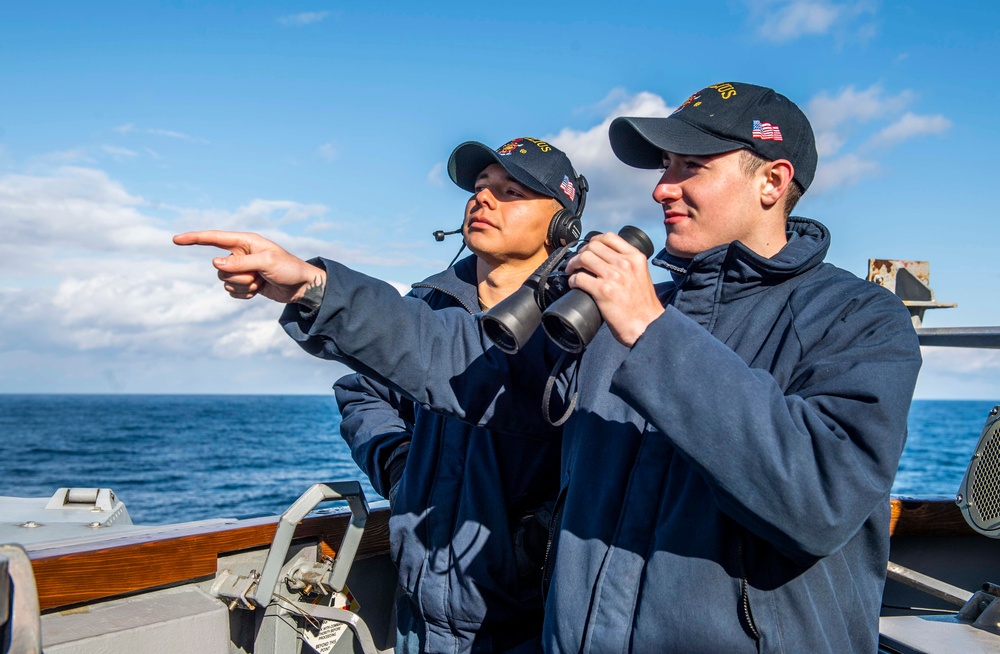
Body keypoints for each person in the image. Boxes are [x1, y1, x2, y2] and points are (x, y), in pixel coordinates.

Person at [175, 81, 922, 653]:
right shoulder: (610, 314)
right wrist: (313, 286)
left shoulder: (859, 320)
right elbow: (456, 360)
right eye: (664, 166)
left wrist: (652, 332)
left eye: (692, 166)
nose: (664, 187)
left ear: (773, 181)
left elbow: (818, 497)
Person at [335, 137, 585, 653]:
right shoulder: (428, 302)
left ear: (562, 222)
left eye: (511, 191)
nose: (483, 200)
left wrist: (536, 539)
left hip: (529, 617)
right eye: (479, 187)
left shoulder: (582, 319)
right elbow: (363, 392)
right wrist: (399, 467)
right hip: (418, 614)